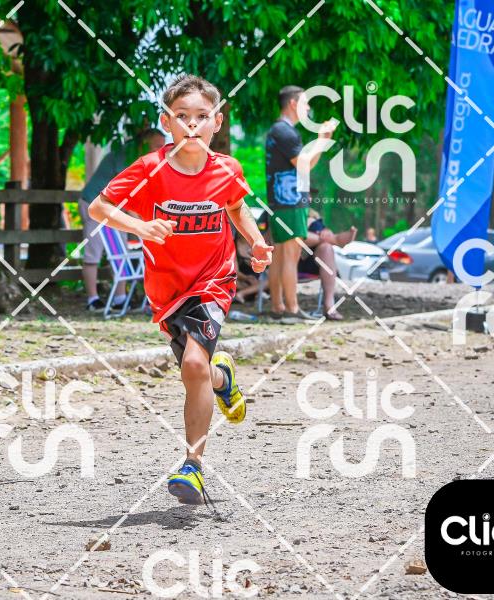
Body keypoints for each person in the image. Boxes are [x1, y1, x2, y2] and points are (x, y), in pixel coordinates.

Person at [89, 74, 272, 505]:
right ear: (166, 122)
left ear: (217, 123)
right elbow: (99, 207)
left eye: (202, 116)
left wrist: (256, 241)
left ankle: (193, 466)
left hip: (213, 281)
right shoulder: (149, 169)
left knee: (192, 362)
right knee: (198, 371)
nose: (192, 124)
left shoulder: (226, 168)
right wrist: (141, 227)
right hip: (167, 290)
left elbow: (236, 207)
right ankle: (223, 377)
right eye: (182, 116)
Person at [265, 85, 336, 322]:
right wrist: (322, 139)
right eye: (306, 103)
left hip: (281, 200)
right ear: (293, 104)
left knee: (280, 254)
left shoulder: (280, 130)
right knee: (290, 254)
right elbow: (303, 163)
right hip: (290, 201)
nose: (309, 108)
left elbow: (306, 164)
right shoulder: (285, 131)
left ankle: (277, 306)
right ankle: (292, 309)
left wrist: (322, 141)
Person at [79, 129, 166, 311]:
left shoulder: (146, 160)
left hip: (115, 209)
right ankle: (92, 300)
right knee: (93, 253)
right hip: (94, 203)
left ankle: (120, 299)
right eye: (158, 146)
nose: (162, 150)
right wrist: (141, 224)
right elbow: (127, 194)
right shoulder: (125, 156)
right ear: (145, 144)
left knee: (119, 251)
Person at [298, 210, 357, 320]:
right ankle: (335, 239)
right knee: (293, 233)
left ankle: (329, 305)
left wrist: (325, 231)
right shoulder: (278, 210)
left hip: (309, 262)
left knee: (326, 247)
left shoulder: (312, 217)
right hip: (283, 261)